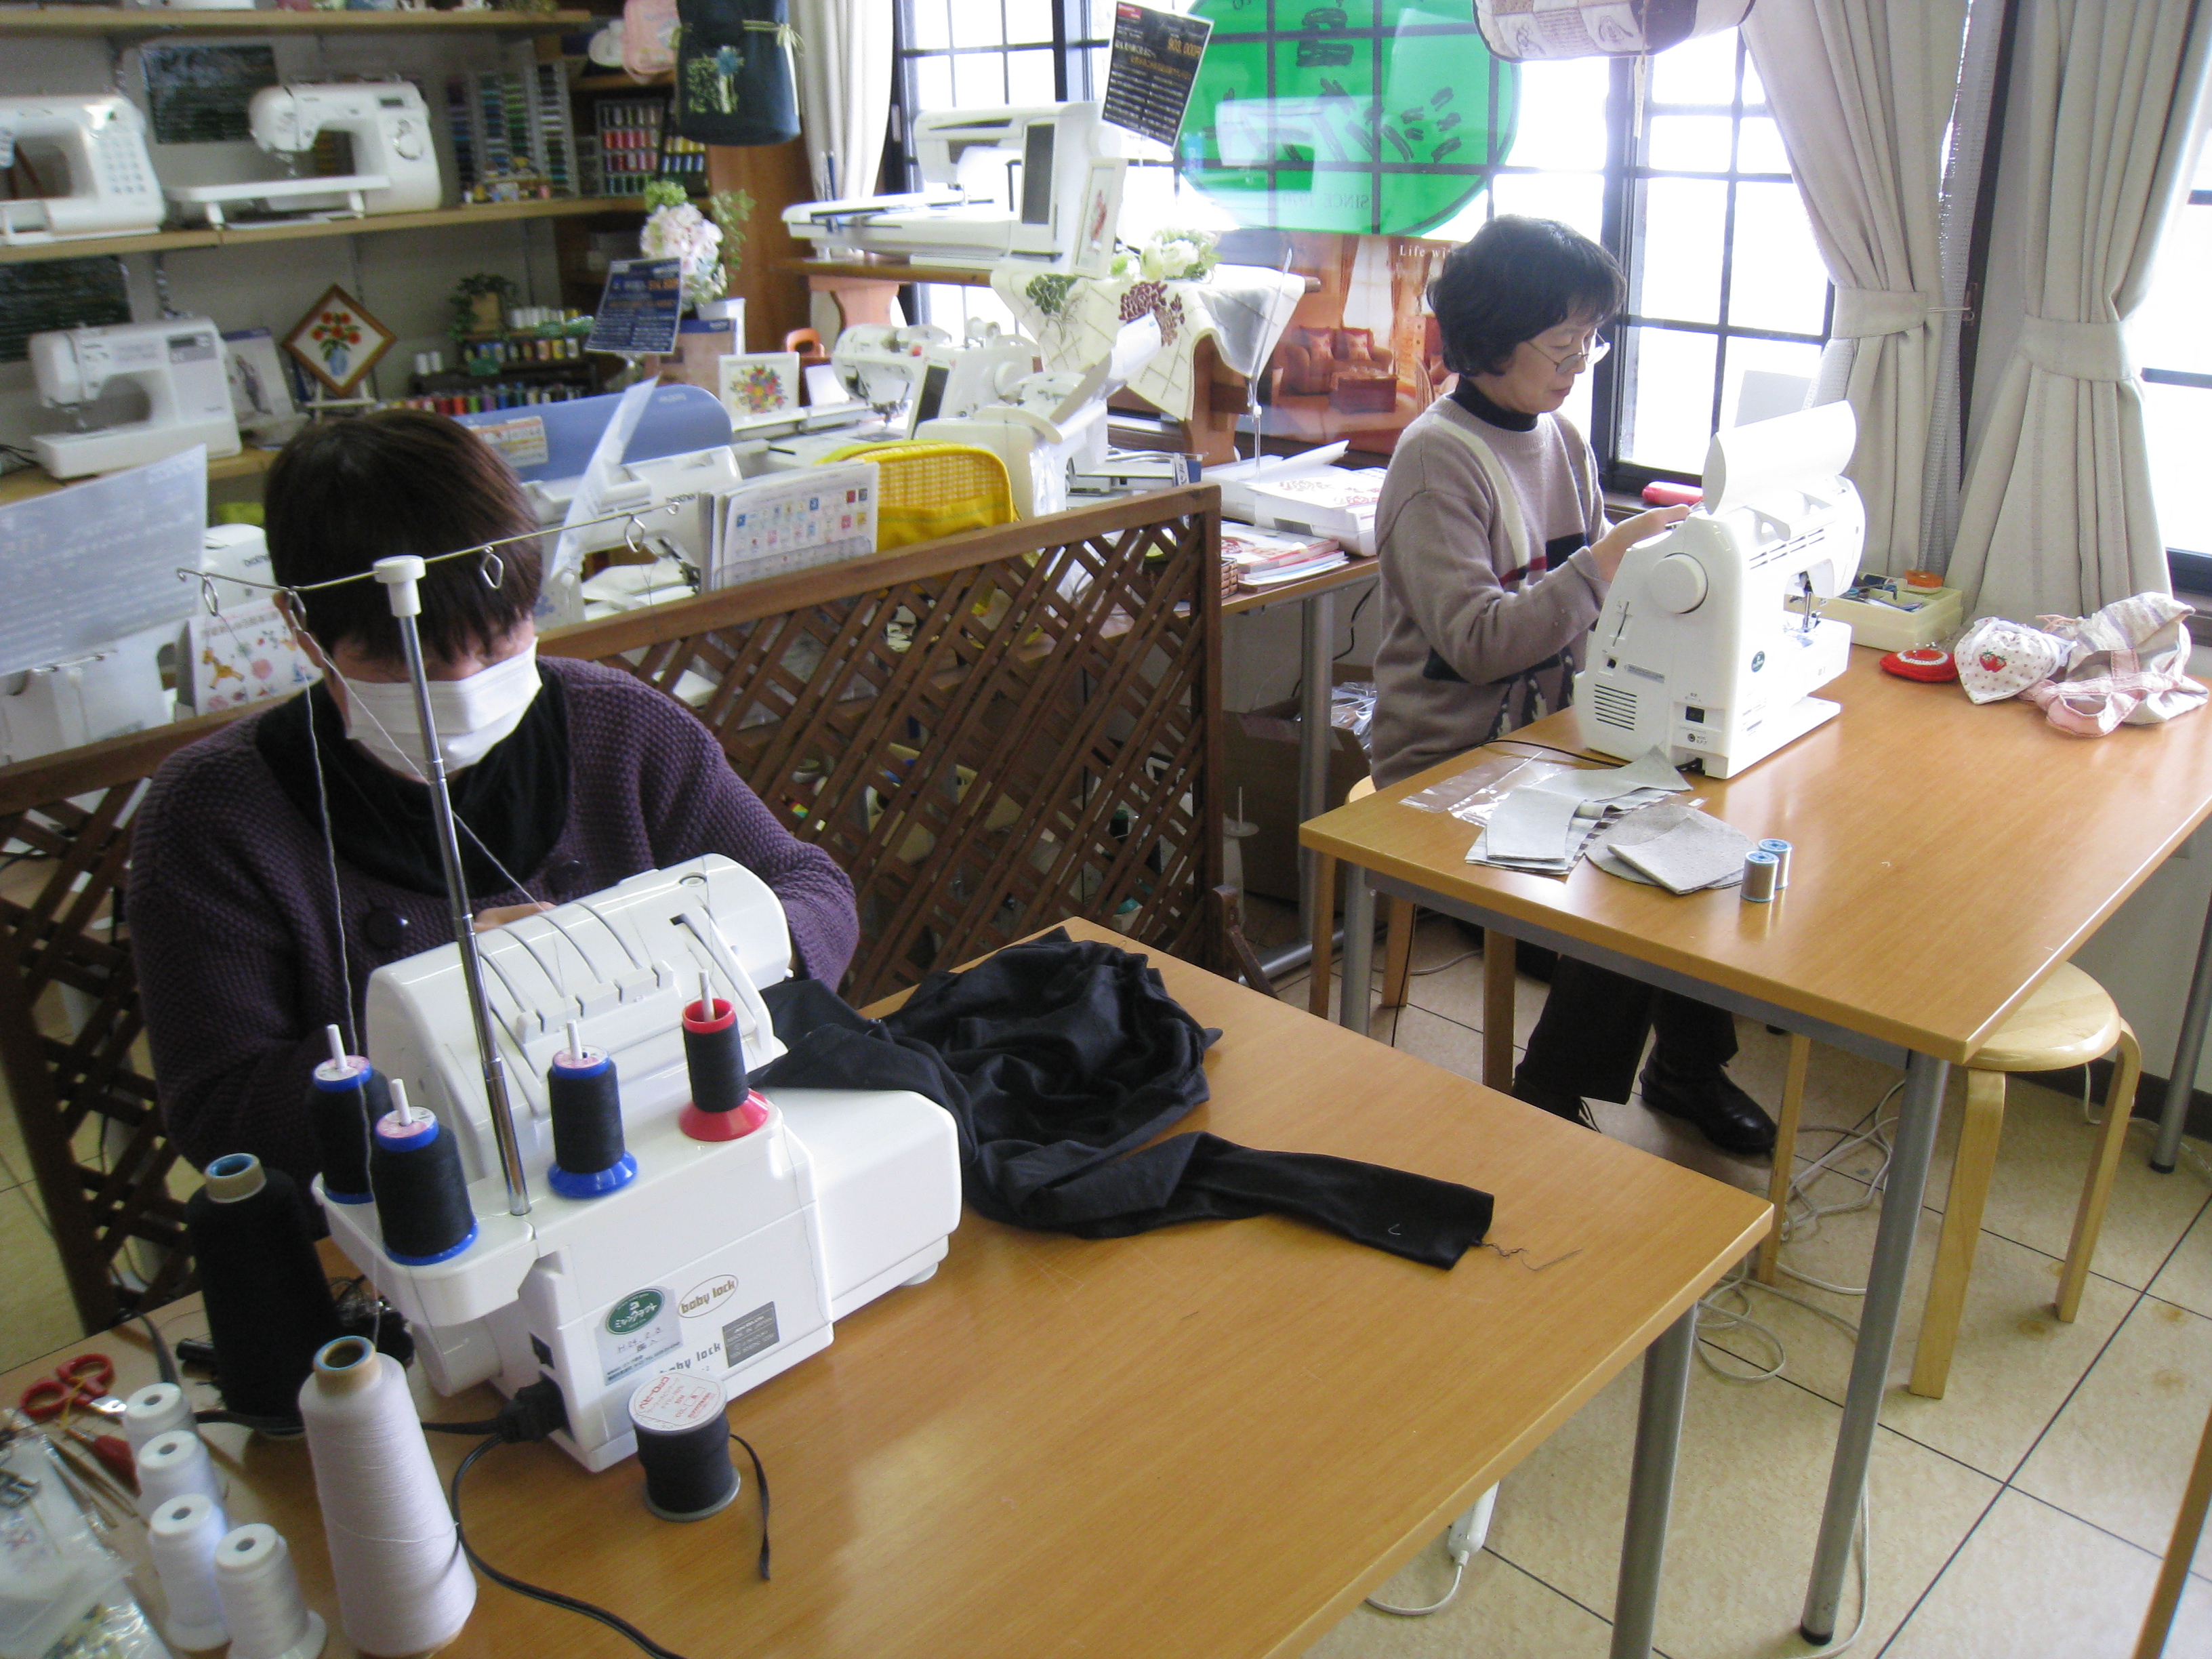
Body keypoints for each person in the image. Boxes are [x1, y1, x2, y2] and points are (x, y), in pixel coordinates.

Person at [129, 409, 859, 1187]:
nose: (464, 684)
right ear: (300, 627)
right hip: (410, 1208)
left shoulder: (618, 728)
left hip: (674, 1157)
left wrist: (632, 951)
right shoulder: (214, 815)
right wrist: (454, 1011)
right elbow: (220, 1112)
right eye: (402, 661)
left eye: (498, 637)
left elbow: (816, 894)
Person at [1368, 214, 1776, 1155]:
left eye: (1592, 342)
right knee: (1634, 877)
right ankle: (1549, 1094)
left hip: (1550, 742)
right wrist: (1604, 563)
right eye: (1564, 347)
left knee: (1700, 834)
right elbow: (1478, 643)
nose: (1581, 365)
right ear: (1491, 339)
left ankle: (1683, 1067)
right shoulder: (1435, 460)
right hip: (1447, 759)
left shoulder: (1562, 438)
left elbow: (1604, 604)